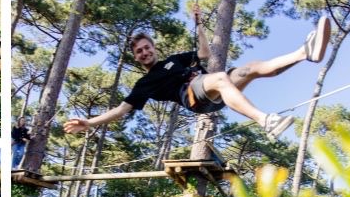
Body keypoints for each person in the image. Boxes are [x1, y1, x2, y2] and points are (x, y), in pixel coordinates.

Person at [64, 12, 331, 141]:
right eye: (139, 51)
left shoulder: (175, 60)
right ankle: (266, 120)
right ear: (136, 57)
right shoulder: (144, 83)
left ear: (154, 48)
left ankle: (304, 53)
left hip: (214, 92)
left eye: (147, 48)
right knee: (220, 79)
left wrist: (199, 24)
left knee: (249, 69)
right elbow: (121, 110)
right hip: (193, 97)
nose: (144, 53)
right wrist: (90, 122)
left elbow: (203, 52)